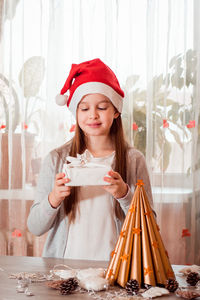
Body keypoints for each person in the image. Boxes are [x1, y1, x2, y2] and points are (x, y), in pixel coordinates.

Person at [27, 58, 154, 260]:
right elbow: (34, 227)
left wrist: (125, 195)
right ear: (75, 113)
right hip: (65, 270)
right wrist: (54, 198)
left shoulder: (133, 160)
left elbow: (149, 227)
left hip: (116, 268)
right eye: (84, 108)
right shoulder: (56, 159)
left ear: (116, 111)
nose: (93, 115)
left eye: (102, 107)